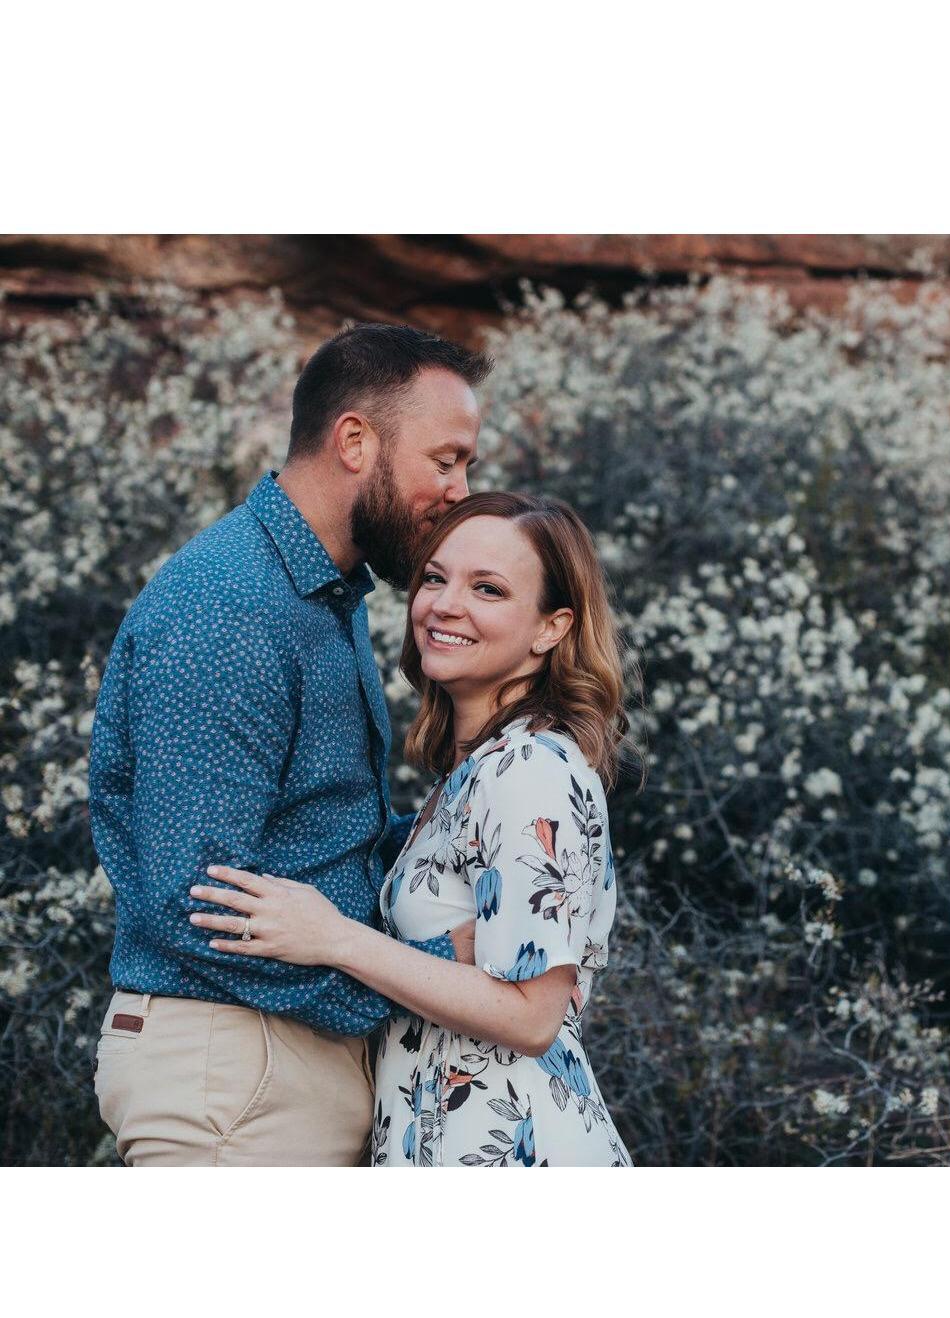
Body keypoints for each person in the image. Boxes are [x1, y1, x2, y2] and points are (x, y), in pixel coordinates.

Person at [89, 322, 491, 1166]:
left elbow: (324, 833)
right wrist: (405, 976)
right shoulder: (230, 608)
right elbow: (194, 901)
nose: (459, 489)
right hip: (234, 1071)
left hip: (278, 1062)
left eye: (467, 467)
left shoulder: (321, 596)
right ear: (355, 440)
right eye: (445, 459)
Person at [188, 492, 634, 1167]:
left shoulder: (530, 769)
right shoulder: (478, 771)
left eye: (487, 588)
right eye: (435, 577)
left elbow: (531, 1016)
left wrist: (335, 938)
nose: (446, 604)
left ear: (551, 628)